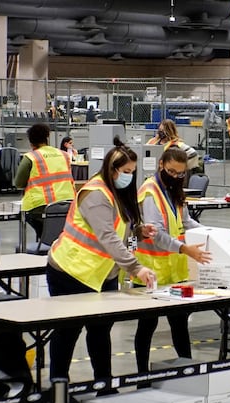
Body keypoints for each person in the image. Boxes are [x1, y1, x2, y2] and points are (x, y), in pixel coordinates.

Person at [46, 139, 157, 389]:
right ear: (112, 169)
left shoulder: (116, 192)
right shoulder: (95, 194)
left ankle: (104, 383)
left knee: (100, 330)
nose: (129, 177)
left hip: (101, 276)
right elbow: (106, 236)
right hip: (70, 271)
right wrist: (136, 267)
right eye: (126, 172)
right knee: (67, 332)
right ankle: (59, 388)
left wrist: (138, 231)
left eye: (132, 172)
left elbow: (118, 228)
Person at [133, 147, 212, 376]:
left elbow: (187, 222)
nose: (176, 176)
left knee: (179, 322)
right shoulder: (150, 192)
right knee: (147, 325)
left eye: (180, 173)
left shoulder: (175, 189)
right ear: (161, 166)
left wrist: (215, 232)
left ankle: (186, 370)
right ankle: (142, 375)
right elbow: (155, 235)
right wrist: (185, 248)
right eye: (171, 171)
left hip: (175, 272)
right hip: (150, 270)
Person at [15, 123, 76, 239]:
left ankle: (44, 240)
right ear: (47, 138)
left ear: (31, 141)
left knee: (31, 217)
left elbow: (18, 183)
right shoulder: (64, 155)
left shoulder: (30, 157)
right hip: (68, 204)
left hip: (40, 207)